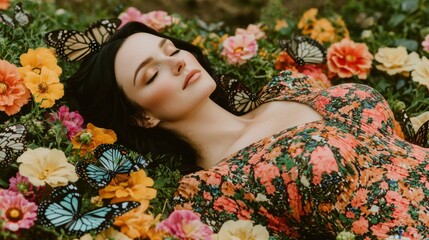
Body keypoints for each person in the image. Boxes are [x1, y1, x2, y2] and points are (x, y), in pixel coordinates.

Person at [68, 21, 429, 239]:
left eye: (171, 49)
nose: (176, 62)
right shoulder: (212, 193)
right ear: (141, 118)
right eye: (152, 73)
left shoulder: (286, 88)